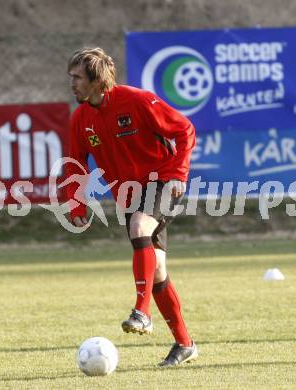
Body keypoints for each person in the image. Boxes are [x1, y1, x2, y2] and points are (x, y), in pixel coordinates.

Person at [66, 47, 198, 367]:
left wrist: (178, 173)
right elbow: (75, 165)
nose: (72, 84)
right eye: (71, 77)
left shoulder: (138, 101)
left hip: (163, 181)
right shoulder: (81, 118)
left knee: (140, 227)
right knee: (157, 272)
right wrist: (77, 203)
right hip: (128, 195)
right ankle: (185, 344)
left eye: (78, 78)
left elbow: (184, 130)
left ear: (98, 81)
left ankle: (142, 312)